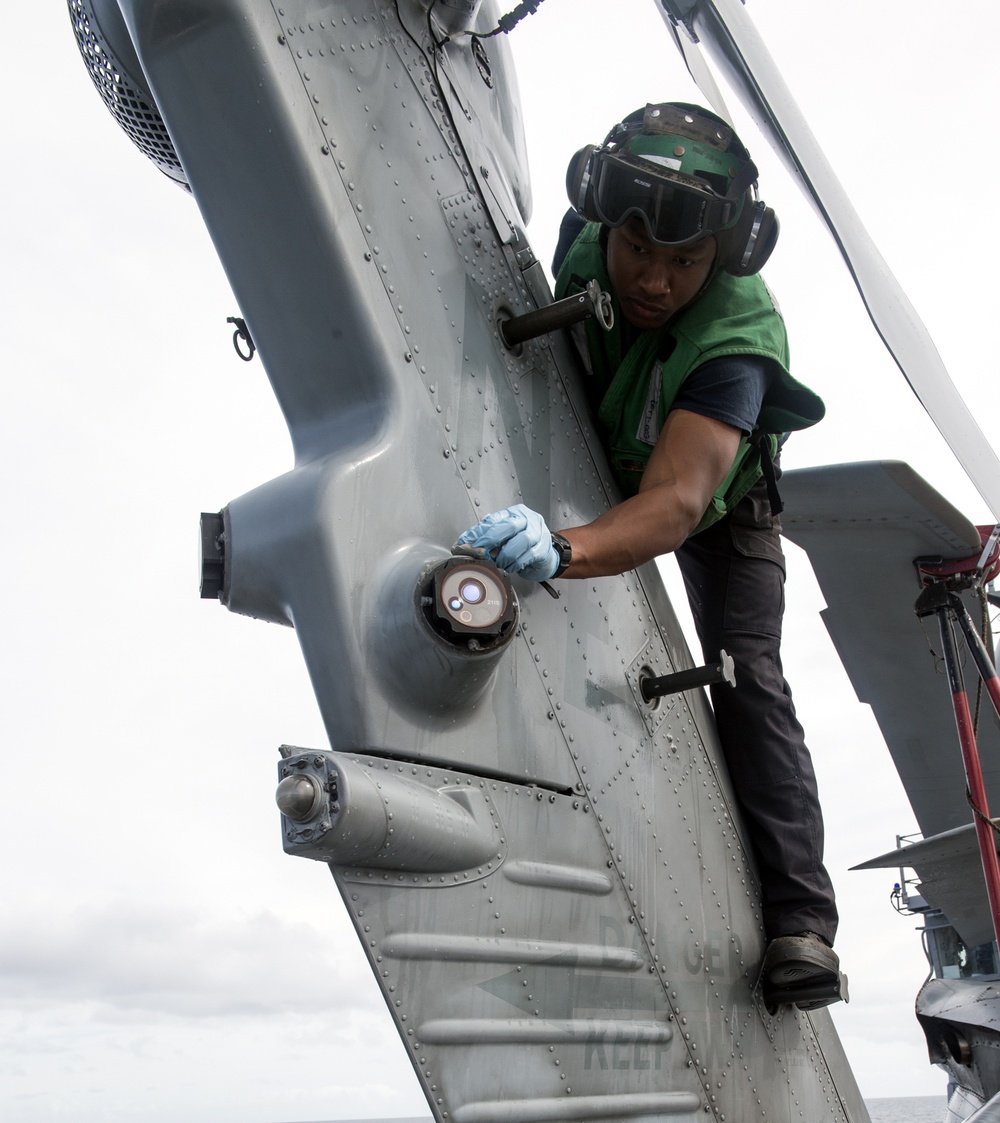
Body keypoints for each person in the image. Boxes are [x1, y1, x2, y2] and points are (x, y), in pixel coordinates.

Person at [456, 102, 841, 1003]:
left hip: (722, 507)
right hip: (605, 436)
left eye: (685, 262)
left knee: (748, 676)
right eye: (637, 249)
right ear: (608, 223)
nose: (655, 281)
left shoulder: (737, 343)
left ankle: (803, 922)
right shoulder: (580, 239)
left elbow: (674, 504)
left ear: (721, 256)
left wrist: (563, 545)